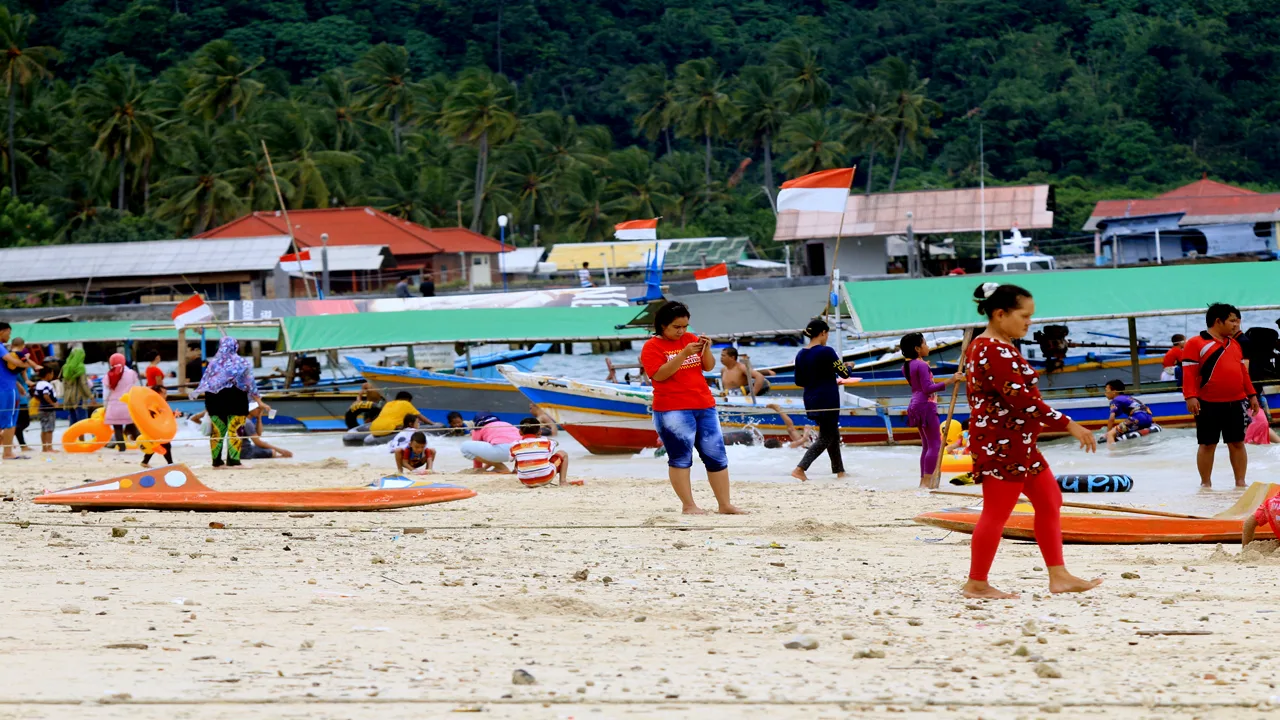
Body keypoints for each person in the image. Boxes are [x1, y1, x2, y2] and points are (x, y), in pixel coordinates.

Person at [961, 282, 1101, 600]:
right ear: (1000, 314)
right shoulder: (990, 349)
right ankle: (977, 583)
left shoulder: (1002, 345)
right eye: (1025, 316)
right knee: (996, 512)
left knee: (1050, 500)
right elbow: (1021, 400)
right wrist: (1069, 425)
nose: (1029, 323)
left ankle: (1059, 575)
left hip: (1020, 442)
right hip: (1000, 443)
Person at [639, 301, 743, 515]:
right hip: (672, 408)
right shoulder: (652, 347)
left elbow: (708, 366)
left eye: (685, 326)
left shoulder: (689, 339)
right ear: (662, 326)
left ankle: (725, 504)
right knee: (680, 457)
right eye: (677, 327)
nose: (682, 331)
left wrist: (706, 348)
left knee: (716, 455)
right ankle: (689, 505)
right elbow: (659, 375)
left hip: (703, 404)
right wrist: (683, 354)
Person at [1182, 303, 1260, 489]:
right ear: (1218, 321)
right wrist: (1190, 396)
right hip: (1207, 403)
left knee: (1238, 443)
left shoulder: (1234, 344)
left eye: (1238, 321)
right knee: (1207, 444)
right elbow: (1188, 373)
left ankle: (1240, 483)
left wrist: (1252, 395)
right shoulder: (1196, 343)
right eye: (1232, 321)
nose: (1236, 325)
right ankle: (1206, 484)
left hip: (1236, 402)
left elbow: (1243, 372)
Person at [790, 319, 856, 482]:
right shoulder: (826, 352)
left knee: (832, 432)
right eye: (827, 334)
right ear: (823, 333)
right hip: (827, 398)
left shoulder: (801, 354)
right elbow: (844, 374)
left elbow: (799, 381)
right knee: (826, 436)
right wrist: (850, 366)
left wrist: (823, 378)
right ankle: (800, 468)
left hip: (811, 399)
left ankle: (840, 471)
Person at [901, 332, 965, 488]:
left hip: (914, 405)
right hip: (925, 406)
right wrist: (951, 380)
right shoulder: (921, 365)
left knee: (927, 445)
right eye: (925, 343)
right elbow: (927, 388)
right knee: (935, 445)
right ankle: (928, 482)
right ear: (917, 348)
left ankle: (924, 481)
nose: (927, 346)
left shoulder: (907, 365)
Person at [197, 337, 269, 468]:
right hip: (236, 399)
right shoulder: (241, 362)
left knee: (217, 431)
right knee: (235, 430)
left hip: (215, 399)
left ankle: (217, 462)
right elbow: (250, 383)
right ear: (235, 347)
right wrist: (259, 401)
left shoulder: (213, 363)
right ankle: (233, 461)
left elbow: (206, 383)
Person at [510, 416, 572, 487]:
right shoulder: (545, 441)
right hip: (546, 478)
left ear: (520, 432)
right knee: (563, 453)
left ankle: (527, 474)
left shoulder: (515, 444)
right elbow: (556, 443)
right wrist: (542, 437)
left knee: (518, 455)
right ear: (539, 432)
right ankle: (563, 482)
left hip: (525, 481)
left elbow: (510, 459)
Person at [103, 353, 139, 452]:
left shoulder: (108, 375)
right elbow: (135, 388)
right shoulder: (131, 373)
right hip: (128, 404)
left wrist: (105, 406)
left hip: (114, 405)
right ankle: (143, 445)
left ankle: (122, 448)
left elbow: (106, 393)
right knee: (132, 426)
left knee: (117, 428)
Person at [1103, 379, 1154, 444]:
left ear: (1114, 391)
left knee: (1110, 435)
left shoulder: (1115, 400)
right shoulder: (1128, 397)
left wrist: (1108, 432)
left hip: (1137, 418)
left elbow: (1111, 418)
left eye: (1106, 390)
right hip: (1149, 418)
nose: (1105, 393)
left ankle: (1112, 453)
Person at [59, 347, 93, 424]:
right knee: (82, 421)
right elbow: (83, 384)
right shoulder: (80, 367)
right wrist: (91, 396)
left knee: (73, 420)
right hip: (78, 397)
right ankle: (81, 436)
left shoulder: (65, 367)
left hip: (69, 397)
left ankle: (72, 436)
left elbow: (63, 382)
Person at [32, 365, 57, 453]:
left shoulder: (38, 384)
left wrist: (42, 403)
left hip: (41, 408)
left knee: (43, 428)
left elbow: (36, 396)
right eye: (52, 373)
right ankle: (50, 447)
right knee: (49, 429)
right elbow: (45, 395)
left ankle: (44, 448)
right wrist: (52, 403)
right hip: (48, 409)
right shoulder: (47, 384)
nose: (52, 375)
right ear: (48, 374)